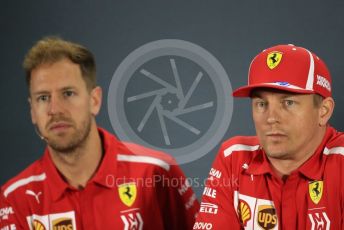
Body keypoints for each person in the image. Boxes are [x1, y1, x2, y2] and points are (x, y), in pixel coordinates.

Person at [0, 36, 199, 230]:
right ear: (32, 111)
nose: (55, 109)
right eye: (43, 98)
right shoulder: (14, 198)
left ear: (94, 100)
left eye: (68, 94)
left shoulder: (155, 172)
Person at [193, 44, 344, 229]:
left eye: (288, 103)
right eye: (261, 104)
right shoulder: (234, 157)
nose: (271, 118)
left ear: (323, 111)